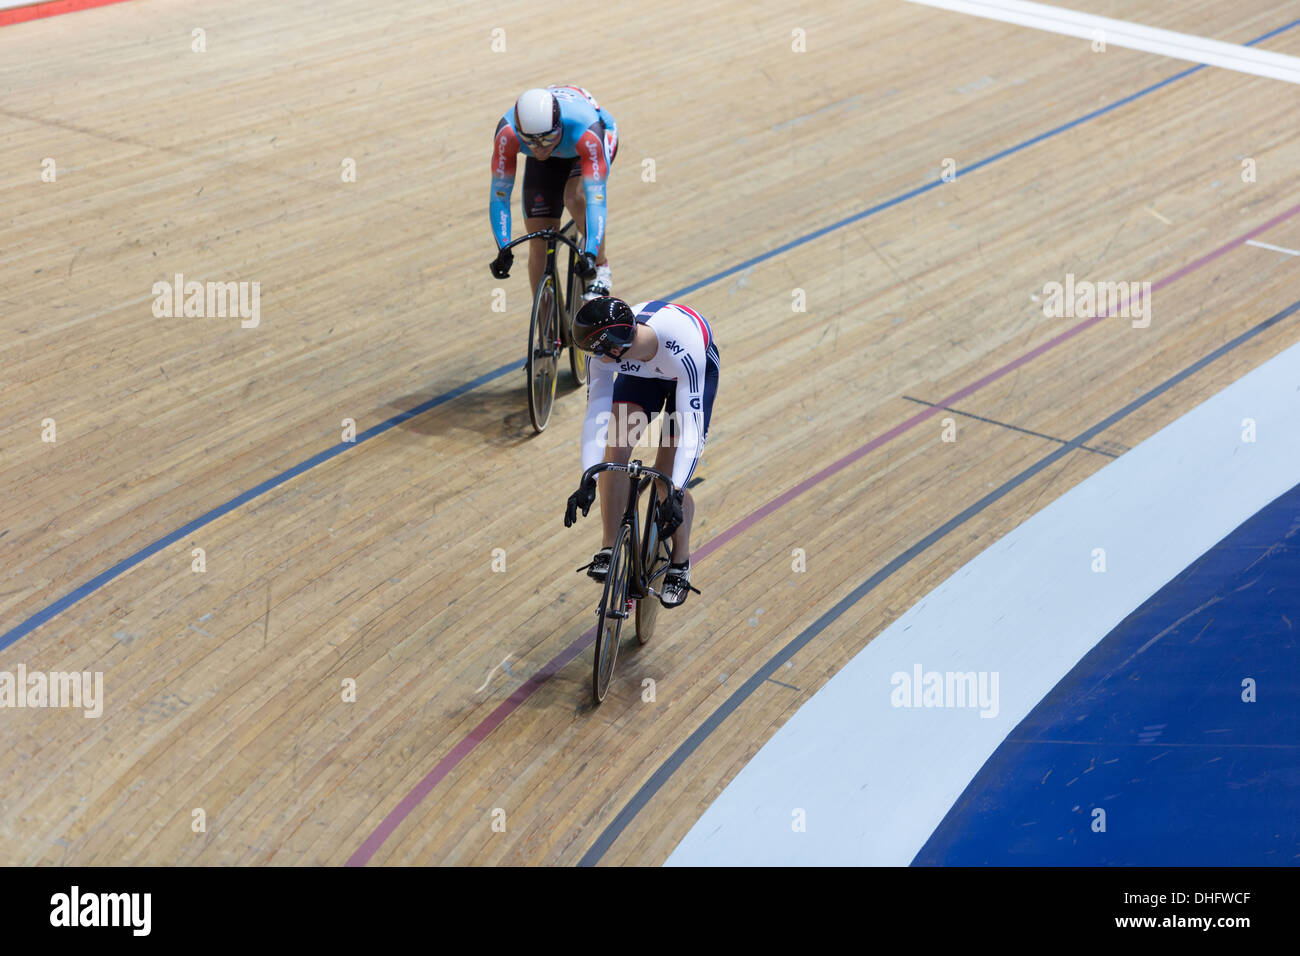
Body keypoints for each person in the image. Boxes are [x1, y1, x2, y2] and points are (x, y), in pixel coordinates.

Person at [563, 297, 720, 608]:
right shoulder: (607, 350)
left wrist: (675, 490)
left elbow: (692, 432)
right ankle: (609, 548)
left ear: (617, 350)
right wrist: (588, 476)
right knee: (614, 454)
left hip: (683, 379)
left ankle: (680, 560)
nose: (593, 360)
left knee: (665, 482)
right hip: (640, 375)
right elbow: (596, 415)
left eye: (596, 354)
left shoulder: (682, 348)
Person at [487, 85, 617, 298]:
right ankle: (545, 326)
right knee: (539, 243)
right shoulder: (508, 134)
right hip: (559, 148)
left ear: (558, 126)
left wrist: (592, 255)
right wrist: (503, 247)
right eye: (529, 142)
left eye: (546, 139)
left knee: (575, 197)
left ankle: (602, 268)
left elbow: (597, 199)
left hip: (587, 141)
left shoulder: (586, 130)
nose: (539, 148)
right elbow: (500, 195)